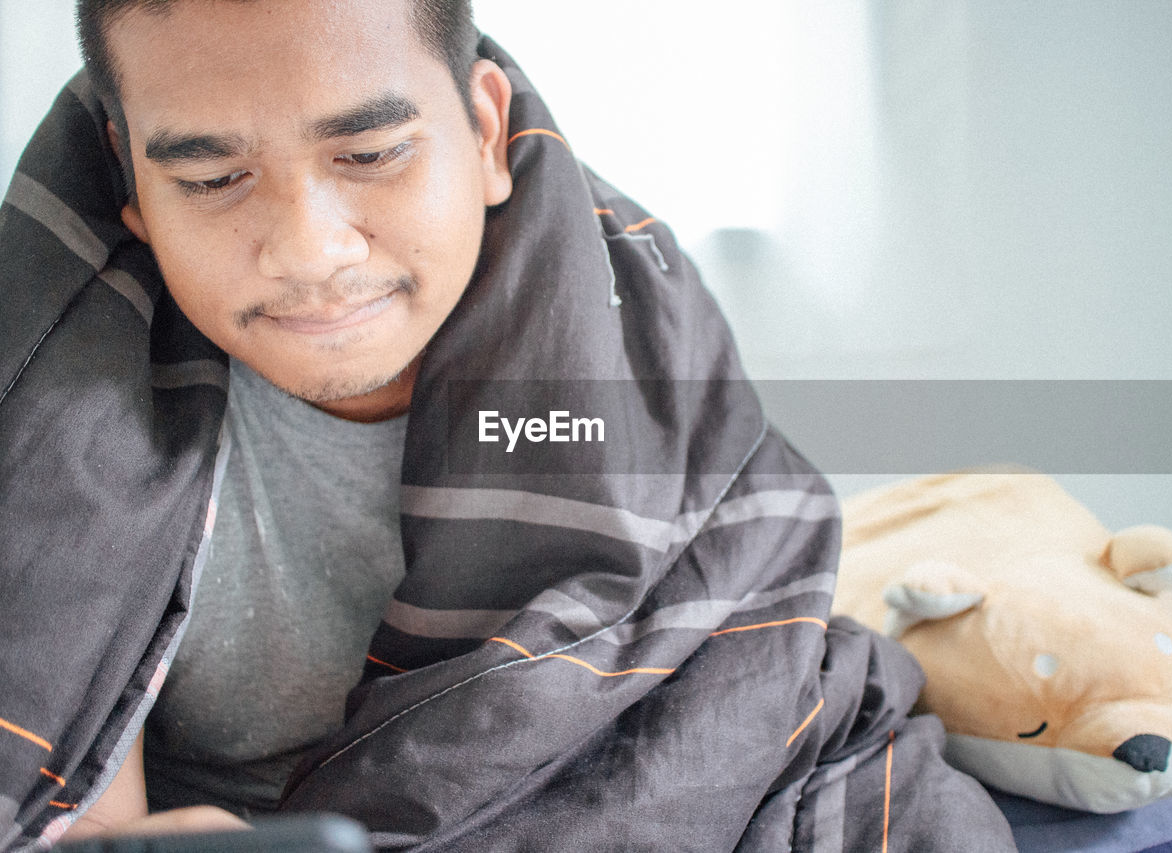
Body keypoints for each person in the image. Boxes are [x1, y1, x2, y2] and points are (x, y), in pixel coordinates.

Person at [0, 1, 1016, 849]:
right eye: (213, 179)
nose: (309, 250)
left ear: (485, 133)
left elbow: (735, 705)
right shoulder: (52, 414)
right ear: (128, 176)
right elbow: (63, 764)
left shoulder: (629, 367)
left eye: (370, 152)